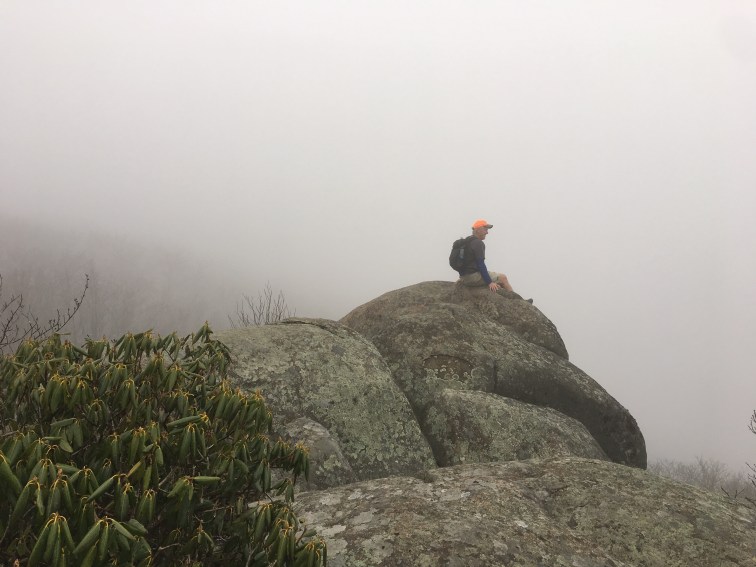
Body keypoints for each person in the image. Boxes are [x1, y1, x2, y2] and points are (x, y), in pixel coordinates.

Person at [458, 219, 514, 293]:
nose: (487, 232)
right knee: (503, 278)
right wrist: (489, 282)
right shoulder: (478, 243)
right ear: (478, 230)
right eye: (485, 229)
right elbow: (481, 264)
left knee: (497, 281)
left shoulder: (466, 241)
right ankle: (516, 299)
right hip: (473, 277)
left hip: (463, 277)